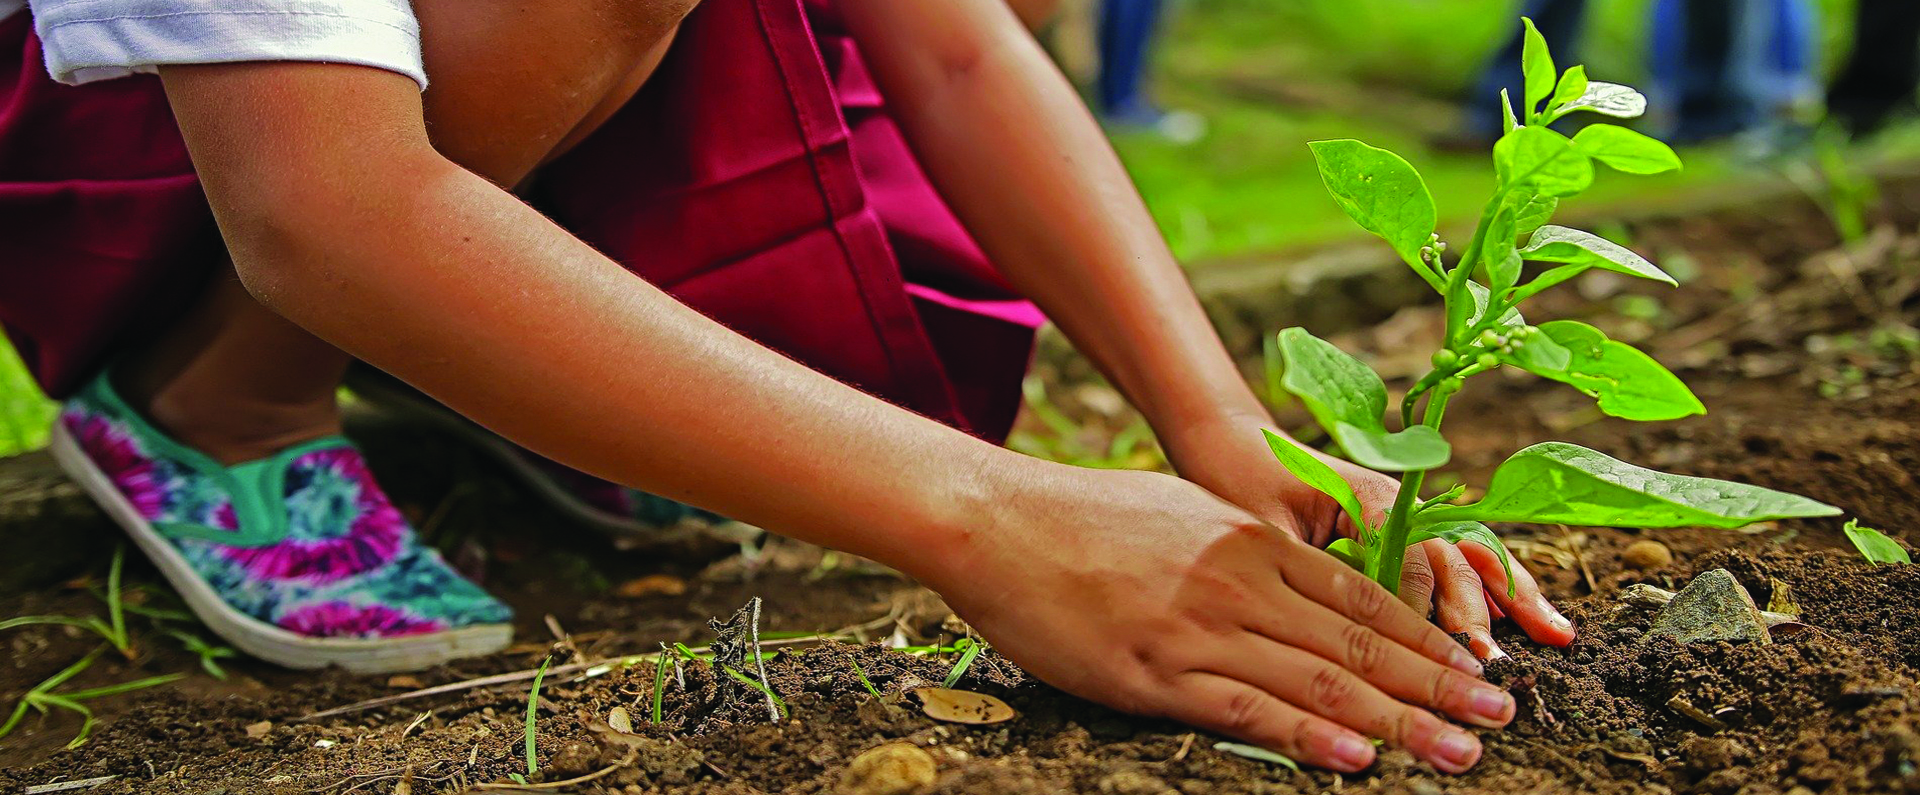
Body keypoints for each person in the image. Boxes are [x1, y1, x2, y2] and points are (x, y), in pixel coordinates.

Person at [0, 0, 1574, 773]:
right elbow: (325, 211)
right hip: (165, 170)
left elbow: (953, 48)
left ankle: (499, 363)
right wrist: (999, 521)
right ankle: (220, 410)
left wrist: (1220, 423)